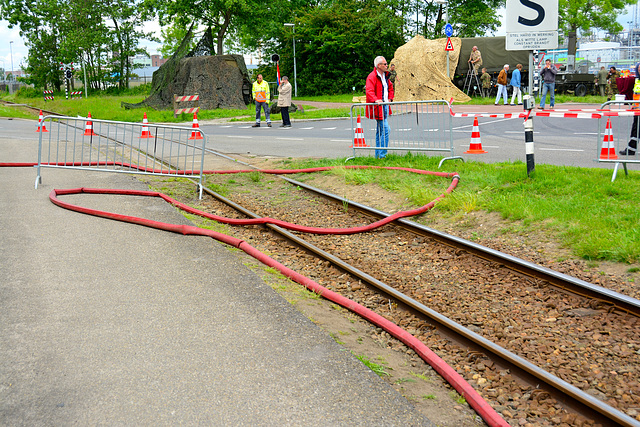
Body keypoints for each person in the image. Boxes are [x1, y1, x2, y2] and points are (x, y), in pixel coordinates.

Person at [365, 55, 394, 159]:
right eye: (385, 64)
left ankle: (378, 155)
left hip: (384, 106)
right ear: (378, 65)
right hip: (378, 108)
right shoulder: (372, 77)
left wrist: (390, 98)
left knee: (380, 131)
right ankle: (382, 155)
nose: (387, 65)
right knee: (386, 130)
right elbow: (369, 91)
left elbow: (390, 87)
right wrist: (376, 100)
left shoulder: (385, 76)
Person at [620, 63, 640, 156]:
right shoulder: (637, 81)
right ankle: (631, 149)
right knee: (635, 130)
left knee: (636, 130)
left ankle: (631, 149)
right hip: (637, 110)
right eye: (639, 68)